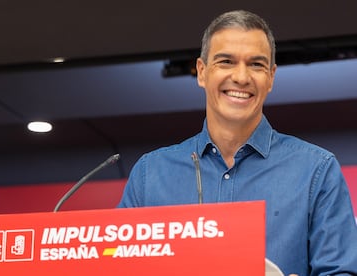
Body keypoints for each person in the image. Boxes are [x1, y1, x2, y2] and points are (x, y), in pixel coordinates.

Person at [117, 10, 357, 276]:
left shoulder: (317, 171)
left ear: (271, 78)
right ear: (201, 72)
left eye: (256, 64)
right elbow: (118, 268)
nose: (242, 77)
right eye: (226, 62)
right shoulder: (150, 175)